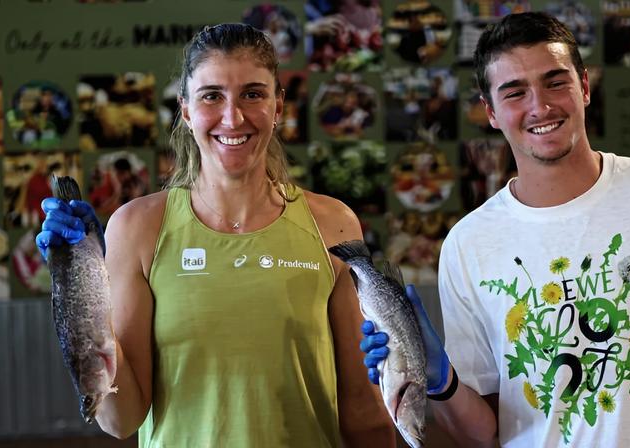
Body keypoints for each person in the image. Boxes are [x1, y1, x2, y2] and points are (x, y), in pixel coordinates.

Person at [360, 12, 630, 447]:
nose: (540, 106)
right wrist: (437, 377)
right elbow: (483, 434)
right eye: (515, 92)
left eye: (555, 82)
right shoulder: (468, 243)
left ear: (585, 86)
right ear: (491, 113)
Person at [36, 23, 394, 447]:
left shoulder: (333, 223)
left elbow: (362, 408)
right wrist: (79, 288)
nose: (233, 116)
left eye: (253, 94)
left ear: (278, 106)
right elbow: (121, 418)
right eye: (212, 96)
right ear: (186, 110)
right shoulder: (139, 228)